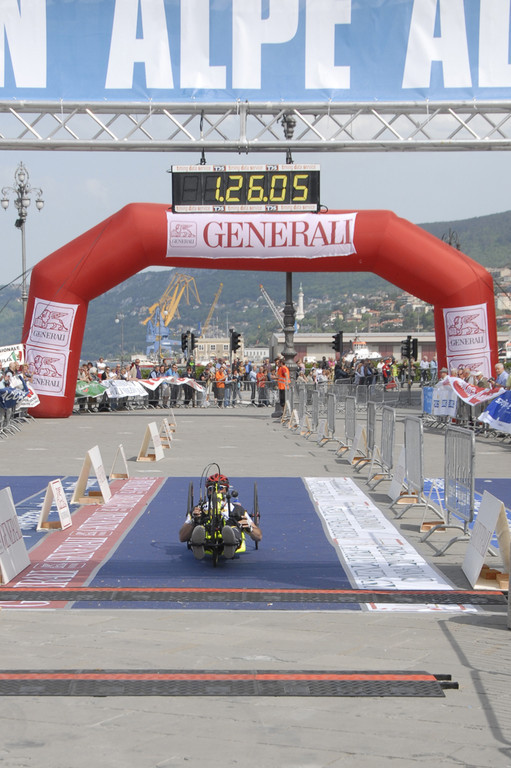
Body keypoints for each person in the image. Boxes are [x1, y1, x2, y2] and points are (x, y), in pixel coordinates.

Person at [179, 470, 262, 560]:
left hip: (230, 532)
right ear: (208, 492)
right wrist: (193, 520)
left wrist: (249, 528)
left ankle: (230, 544)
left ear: (226, 490)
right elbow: (182, 537)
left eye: (220, 488)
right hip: (207, 537)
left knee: (231, 529)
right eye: (211, 489)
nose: (216, 491)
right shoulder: (199, 509)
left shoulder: (237, 509)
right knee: (200, 528)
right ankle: (198, 544)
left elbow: (259, 536)